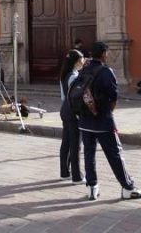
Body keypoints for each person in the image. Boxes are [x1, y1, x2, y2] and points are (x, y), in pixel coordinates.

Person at [77, 41, 141, 201]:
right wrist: (107, 112)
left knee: (89, 155)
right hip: (102, 121)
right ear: (103, 54)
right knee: (115, 154)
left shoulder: (84, 69)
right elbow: (113, 97)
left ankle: (92, 187)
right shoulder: (106, 72)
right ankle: (127, 187)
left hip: (85, 120)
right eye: (106, 52)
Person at [59, 49, 85, 184]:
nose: (84, 61)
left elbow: (63, 96)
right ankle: (76, 176)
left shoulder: (65, 75)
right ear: (76, 62)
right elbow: (77, 97)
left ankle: (64, 172)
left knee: (66, 142)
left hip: (64, 109)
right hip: (73, 111)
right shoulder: (74, 77)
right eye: (82, 59)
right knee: (75, 145)